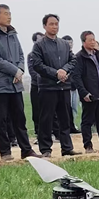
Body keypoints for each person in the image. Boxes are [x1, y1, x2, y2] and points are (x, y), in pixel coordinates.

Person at [0, 4, 39, 161]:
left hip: (15, 85)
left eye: (9, 13)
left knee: (20, 118)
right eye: (5, 14)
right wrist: (15, 71)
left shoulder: (13, 34)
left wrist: (20, 70)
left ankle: (26, 150)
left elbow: (20, 55)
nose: (9, 16)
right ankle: (5, 152)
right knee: (1, 120)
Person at [31, 14, 80, 158]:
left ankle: (67, 147)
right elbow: (37, 65)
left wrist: (64, 70)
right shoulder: (39, 45)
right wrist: (55, 73)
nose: (54, 27)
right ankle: (45, 148)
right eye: (51, 24)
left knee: (65, 119)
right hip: (47, 87)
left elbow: (73, 60)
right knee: (46, 119)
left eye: (56, 24)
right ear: (44, 26)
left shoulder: (64, 44)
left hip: (64, 87)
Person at [62, 35, 81, 134]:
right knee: (66, 108)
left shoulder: (74, 56)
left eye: (71, 43)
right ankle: (66, 127)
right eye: (67, 43)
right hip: (65, 86)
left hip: (74, 86)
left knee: (74, 107)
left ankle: (73, 125)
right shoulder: (62, 56)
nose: (70, 45)